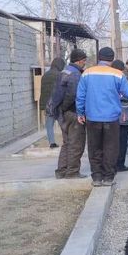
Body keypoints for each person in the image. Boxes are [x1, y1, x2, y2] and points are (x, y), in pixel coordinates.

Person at [76, 47, 128, 187]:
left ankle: (96, 177)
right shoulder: (118, 74)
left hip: (92, 117)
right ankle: (108, 178)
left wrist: (80, 112)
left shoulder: (87, 73)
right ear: (112, 59)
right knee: (111, 148)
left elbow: (80, 96)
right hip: (111, 118)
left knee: (94, 148)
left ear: (99, 58)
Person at [48, 49, 88, 179]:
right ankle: (72, 172)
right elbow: (73, 94)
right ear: (80, 60)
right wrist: (67, 108)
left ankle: (61, 171)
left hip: (62, 113)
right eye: (84, 61)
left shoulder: (64, 71)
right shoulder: (76, 74)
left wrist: (61, 109)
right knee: (76, 144)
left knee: (67, 143)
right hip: (72, 112)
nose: (85, 63)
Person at [111, 60, 128, 172]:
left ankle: (114, 164)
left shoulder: (108, 77)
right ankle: (119, 164)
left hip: (109, 114)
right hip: (121, 110)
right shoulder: (121, 77)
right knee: (122, 139)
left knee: (113, 140)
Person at [39, 57, 65, 148]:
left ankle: (52, 143)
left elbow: (43, 92)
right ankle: (66, 141)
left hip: (48, 105)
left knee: (49, 125)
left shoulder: (45, 75)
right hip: (58, 104)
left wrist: (42, 105)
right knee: (63, 124)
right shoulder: (60, 75)